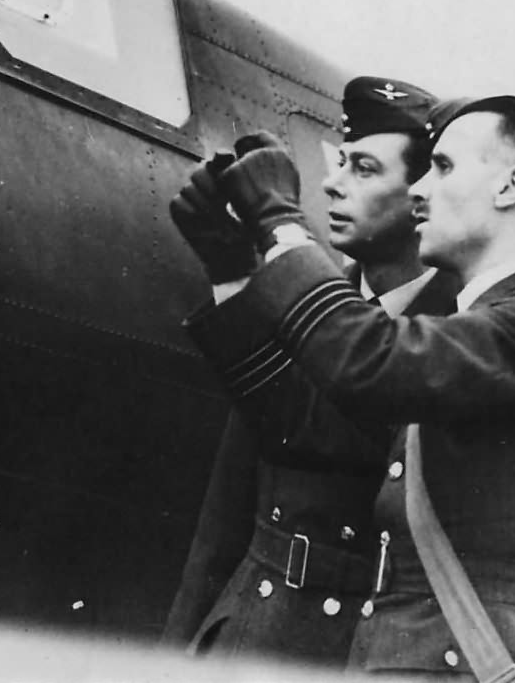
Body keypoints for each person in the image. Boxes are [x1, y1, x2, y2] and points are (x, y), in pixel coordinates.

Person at [172, 95, 515, 681]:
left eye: (445, 167)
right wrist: (231, 266)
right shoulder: (497, 317)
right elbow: (315, 434)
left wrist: (282, 223)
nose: (419, 190)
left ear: (511, 186)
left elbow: (370, 363)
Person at [162, 77, 458, 664]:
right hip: (244, 635)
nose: (331, 181)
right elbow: (223, 523)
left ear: (421, 194)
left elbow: (334, 426)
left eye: (365, 169)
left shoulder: (460, 328)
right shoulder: (293, 301)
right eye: (341, 161)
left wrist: (242, 275)